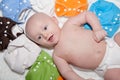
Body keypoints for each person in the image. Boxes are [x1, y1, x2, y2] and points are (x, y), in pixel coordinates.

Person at [25, 11, 120, 80]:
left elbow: (87, 15)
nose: (45, 35)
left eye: (45, 28)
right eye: (39, 37)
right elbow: (66, 72)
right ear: (39, 44)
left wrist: (97, 29)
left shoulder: (69, 24)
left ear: (54, 20)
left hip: (112, 45)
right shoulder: (57, 55)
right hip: (106, 67)